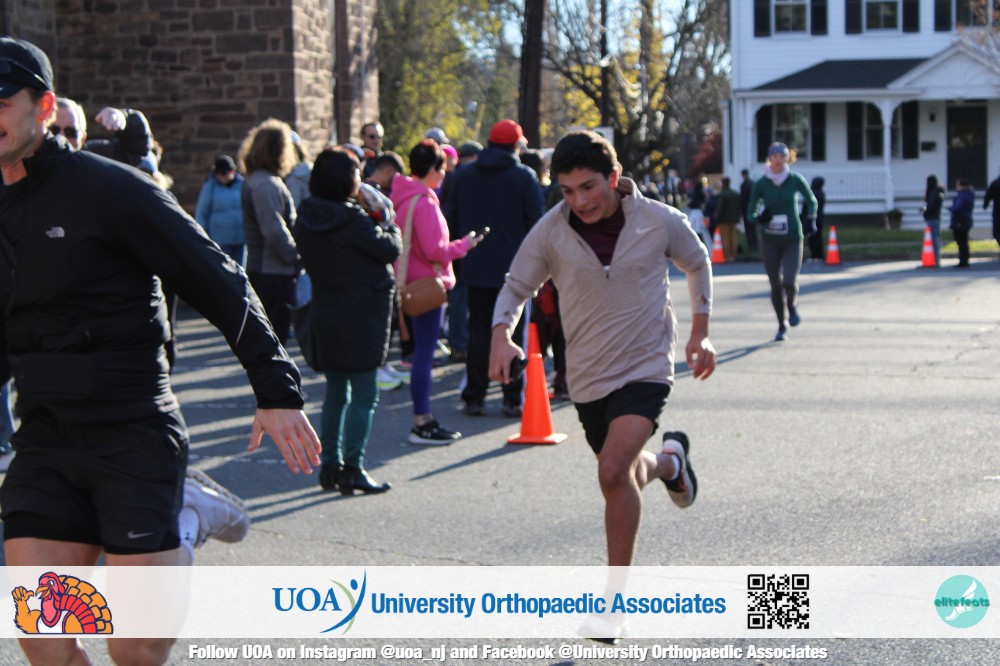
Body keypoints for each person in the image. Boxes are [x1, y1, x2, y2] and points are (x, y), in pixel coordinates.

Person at [0, 37, 321, 666]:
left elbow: (217, 276)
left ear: (45, 108)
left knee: (135, 646)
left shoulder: (108, 189)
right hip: (44, 439)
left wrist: (276, 390)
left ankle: (186, 520)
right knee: (45, 640)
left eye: (1, 102)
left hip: (132, 433)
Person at [488, 130, 716, 575]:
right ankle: (670, 464)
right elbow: (516, 286)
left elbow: (697, 261)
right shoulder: (551, 231)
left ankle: (614, 597)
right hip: (588, 374)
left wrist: (700, 333)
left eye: (588, 187)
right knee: (622, 473)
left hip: (646, 364)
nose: (580, 201)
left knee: (612, 472)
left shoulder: (657, 220)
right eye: (568, 191)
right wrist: (501, 333)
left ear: (613, 178)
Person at [294, 148, 400, 494]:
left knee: (336, 392)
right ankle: (353, 468)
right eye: (357, 173)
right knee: (365, 393)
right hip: (362, 314)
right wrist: (385, 219)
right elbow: (389, 249)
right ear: (345, 180)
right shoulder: (353, 220)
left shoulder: (305, 218)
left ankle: (330, 467)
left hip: (327, 310)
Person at [442, 119, 544, 418]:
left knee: (479, 333)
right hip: (517, 271)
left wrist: (460, 259)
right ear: (516, 145)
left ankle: (475, 396)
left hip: (476, 267)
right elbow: (536, 225)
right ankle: (511, 397)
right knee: (512, 333)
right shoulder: (524, 177)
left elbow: (451, 218)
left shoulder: (465, 175)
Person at [390, 140, 483, 445]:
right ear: (432, 169)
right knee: (424, 356)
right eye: (442, 169)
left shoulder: (401, 197)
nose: (444, 175)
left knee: (419, 353)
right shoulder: (424, 202)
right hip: (428, 287)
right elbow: (436, 250)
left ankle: (423, 419)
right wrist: (465, 245)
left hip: (409, 284)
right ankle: (423, 420)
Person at [746, 142, 817, 342]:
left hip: (793, 237)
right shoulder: (761, 183)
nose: (778, 159)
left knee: (789, 281)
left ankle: (792, 304)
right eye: (774, 156)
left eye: (782, 156)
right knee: (775, 285)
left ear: (788, 158)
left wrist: (810, 217)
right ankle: (781, 324)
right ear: (769, 158)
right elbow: (750, 212)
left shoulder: (794, 180)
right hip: (770, 240)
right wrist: (760, 218)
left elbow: (811, 200)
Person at [239, 118, 300, 344]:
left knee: (270, 338)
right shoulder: (265, 184)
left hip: (268, 269)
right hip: (272, 272)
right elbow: (273, 229)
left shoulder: (260, 180)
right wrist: (295, 257)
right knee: (273, 340)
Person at [195, 155, 246, 265]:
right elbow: (202, 213)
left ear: (232, 171)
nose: (221, 176)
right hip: (220, 239)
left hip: (240, 238)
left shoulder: (242, 185)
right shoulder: (210, 187)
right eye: (218, 173)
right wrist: (202, 237)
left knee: (240, 269)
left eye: (224, 173)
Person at [713, 177, 741, 262]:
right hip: (734, 219)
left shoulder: (723, 194)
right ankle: (734, 255)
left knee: (725, 238)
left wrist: (717, 217)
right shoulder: (735, 194)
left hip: (724, 219)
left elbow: (720, 208)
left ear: (723, 183)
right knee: (733, 237)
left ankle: (728, 256)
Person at [949, 178, 975, 269]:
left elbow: (957, 208)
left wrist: (951, 208)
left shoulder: (962, 196)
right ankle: (964, 260)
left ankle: (963, 260)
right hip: (966, 220)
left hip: (960, 221)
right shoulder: (970, 194)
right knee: (964, 241)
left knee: (961, 242)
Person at [922, 174, 946, 267]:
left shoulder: (934, 192)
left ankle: (936, 260)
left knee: (934, 239)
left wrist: (925, 212)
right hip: (937, 217)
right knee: (936, 238)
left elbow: (931, 206)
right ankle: (937, 258)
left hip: (932, 218)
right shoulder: (939, 192)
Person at [806, 177, 826, 262]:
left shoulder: (813, 194)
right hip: (819, 219)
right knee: (818, 238)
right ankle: (819, 255)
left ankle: (814, 256)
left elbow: (806, 206)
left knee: (812, 239)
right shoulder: (821, 193)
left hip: (811, 219)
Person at [739, 168, 758, 255]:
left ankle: (751, 246)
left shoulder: (744, 185)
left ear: (743, 175)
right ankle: (756, 245)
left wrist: (740, 209)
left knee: (748, 229)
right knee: (753, 228)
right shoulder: (753, 183)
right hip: (753, 208)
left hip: (746, 209)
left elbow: (743, 198)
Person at [981, 169, 1000, 254]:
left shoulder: (995, 183)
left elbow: (988, 195)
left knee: (997, 233)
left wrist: (985, 205)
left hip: (998, 211)